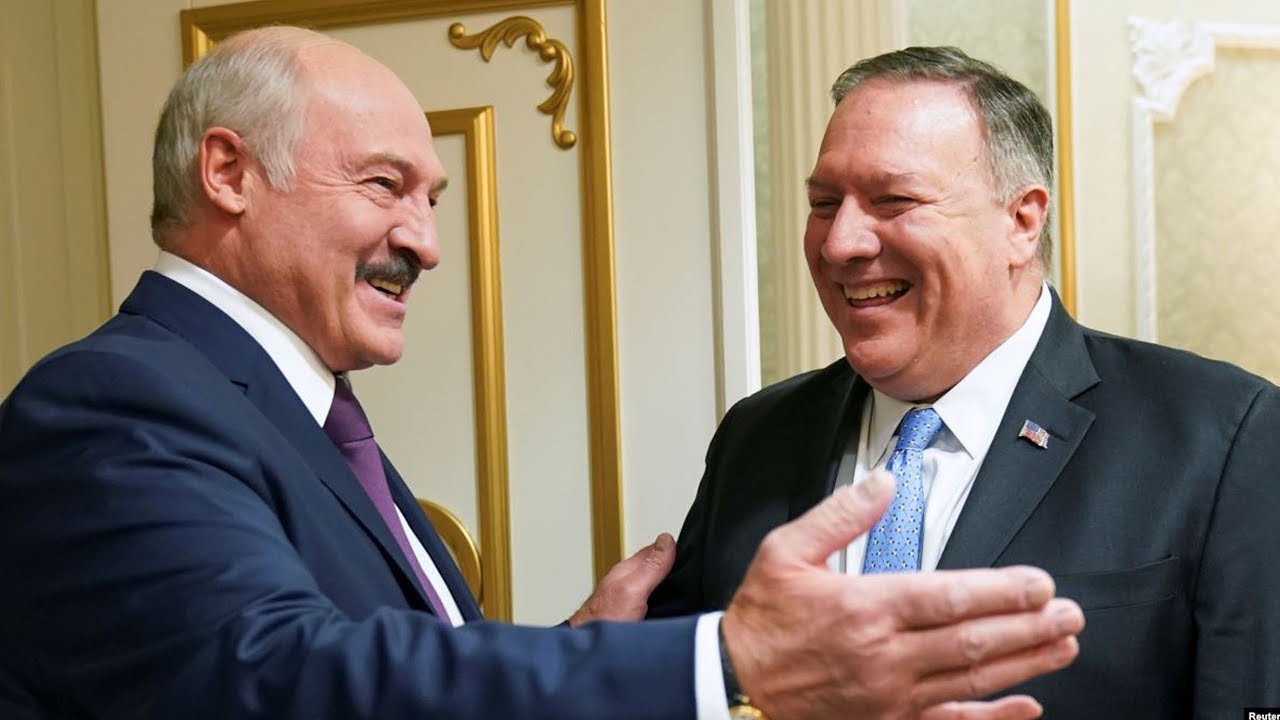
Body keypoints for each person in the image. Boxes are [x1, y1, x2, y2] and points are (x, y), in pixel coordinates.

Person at [0, 29, 1084, 720]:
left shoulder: (295, 411)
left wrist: (577, 654)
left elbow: (391, 670)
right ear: (229, 173)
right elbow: (282, 676)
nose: (425, 243)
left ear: (1021, 221)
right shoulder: (112, 407)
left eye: (431, 198)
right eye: (384, 185)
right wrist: (722, 661)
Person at [647, 44, 1280, 717]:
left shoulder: (1220, 436)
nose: (840, 243)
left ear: (1021, 222)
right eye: (825, 203)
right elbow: (684, 689)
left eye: (894, 200)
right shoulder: (758, 435)